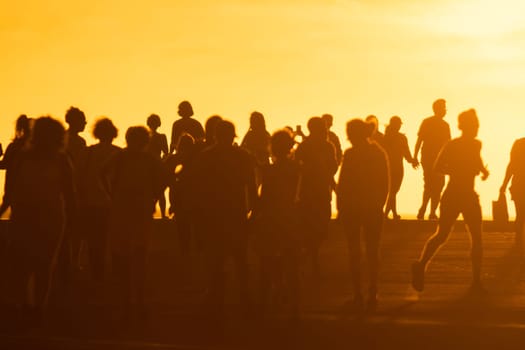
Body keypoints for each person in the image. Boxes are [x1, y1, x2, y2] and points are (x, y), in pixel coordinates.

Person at [2, 116, 75, 322]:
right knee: (38, 265)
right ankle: (34, 307)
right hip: (42, 217)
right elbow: (71, 195)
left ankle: (30, 306)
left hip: (35, 217)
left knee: (31, 264)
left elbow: (9, 192)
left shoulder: (30, 159)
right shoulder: (59, 160)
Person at [411, 109, 489, 293]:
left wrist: (483, 171)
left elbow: (477, 162)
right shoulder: (452, 145)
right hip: (453, 193)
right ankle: (420, 265)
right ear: (464, 126)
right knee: (442, 234)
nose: (476, 128)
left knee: (477, 238)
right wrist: (455, 170)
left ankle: (476, 280)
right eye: (474, 125)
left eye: (477, 125)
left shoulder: (477, 144)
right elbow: (437, 167)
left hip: (469, 195)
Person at [192, 120, 257, 318]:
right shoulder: (243, 156)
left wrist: (199, 215)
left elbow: (199, 189)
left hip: (215, 215)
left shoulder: (206, 157)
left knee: (217, 259)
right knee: (239, 259)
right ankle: (243, 297)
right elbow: (252, 187)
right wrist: (254, 213)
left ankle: (217, 297)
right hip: (235, 213)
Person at [105, 126, 166, 321]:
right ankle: (137, 301)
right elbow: (165, 179)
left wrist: (111, 194)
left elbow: (101, 173)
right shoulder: (148, 159)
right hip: (139, 211)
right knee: (139, 257)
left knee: (124, 258)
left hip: (123, 210)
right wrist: (154, 197)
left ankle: (127, 301)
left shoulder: (122, 156)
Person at [337, 119, 389, 312]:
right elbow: (385, 183)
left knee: (356, 251)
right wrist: (378, 204)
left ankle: (361, 292)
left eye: (350, 132)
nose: (348, 136)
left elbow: (343, 183)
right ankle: (371, 291)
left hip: (356, 209)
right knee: (371, 251)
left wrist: (341, 206)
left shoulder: (352, 155)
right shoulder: (377, 153)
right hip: (369, 209)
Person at [256, 129, 301, 318]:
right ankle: (293, 303)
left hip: (271, 219)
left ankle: (271, 296)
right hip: (291, 219)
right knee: (292, 263)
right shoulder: (298, 168)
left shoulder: (269, 171)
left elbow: (264, 197)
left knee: (269, 260)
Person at [77, 118, 121, 282]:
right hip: (113, 205)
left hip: (90, 204)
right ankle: (115, 274)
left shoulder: (88, 153)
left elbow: (78, 179)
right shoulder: (119, 153)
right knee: (115, 241)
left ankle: (97, 274)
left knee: (94, 242)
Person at [295, 117, 338, 280]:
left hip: (309, 191)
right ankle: (311, 256)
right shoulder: (326, 146)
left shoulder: (307, 146)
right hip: (318, 191)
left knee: (312, 226)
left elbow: (296, 165)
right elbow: (333, 167)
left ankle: (309, 253)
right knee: (320, 225)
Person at [413, 99, 451, 220]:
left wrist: (415, 156)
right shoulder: (428, 122)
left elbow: (447, 145)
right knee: (432, 185)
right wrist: (414, 156)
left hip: (436, 159)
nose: (445, 110)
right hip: (429, 158)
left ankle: (429, 210)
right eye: (443, 108)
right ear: (437, 109)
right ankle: (426, 209)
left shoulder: (445, 125)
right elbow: (420, 140)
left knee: (436, 185)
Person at [382, 116, 417, 220]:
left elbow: (406, 153)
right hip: (395, 167)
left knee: (392, 191)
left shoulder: (385, 137)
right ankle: (386, 214)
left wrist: (412, 161)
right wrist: (412, 161)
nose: (399, 126)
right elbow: (407, 153)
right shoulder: (400, 138)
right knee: (393, 191)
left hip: (388, 167)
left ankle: (394, 213)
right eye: (398, 124)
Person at [0, 115, 32, 217]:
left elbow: (3, 165)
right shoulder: (34, 149)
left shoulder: (13, 147)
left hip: (12, 188)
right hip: (28, 190)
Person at [500, 138, 525, 250]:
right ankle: (519, 238)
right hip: (519, 184)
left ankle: (518, 238)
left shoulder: (518, 143)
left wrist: (504, 185)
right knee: (520, 213)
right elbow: (512, 165)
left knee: (520, 213)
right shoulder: (519, 143)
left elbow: (511, 165)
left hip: (518, 184)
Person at [146, 114, 169, 219]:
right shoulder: (161, 137)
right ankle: (163, 214)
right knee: (160, 192)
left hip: (149, 166)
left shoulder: (145, 137)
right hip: (158, 165)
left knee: (150, 191)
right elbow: (166, 152)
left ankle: (151, 214)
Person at [241, 112, 271, 185]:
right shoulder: (250, 135)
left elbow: (269, 151)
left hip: (261, 166)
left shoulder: (264, 135)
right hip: (253, 166)